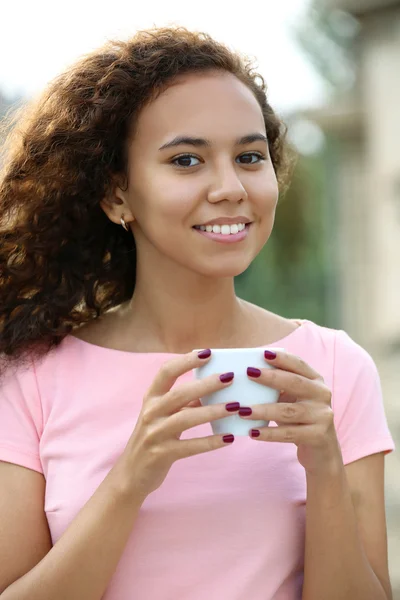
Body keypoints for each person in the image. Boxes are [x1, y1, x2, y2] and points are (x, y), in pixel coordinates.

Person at [0, 26, 395, 600]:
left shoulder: (333, 367)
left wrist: (325, 471)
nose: (231, 187)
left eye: (249, 157)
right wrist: (130, 481)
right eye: (187, 160)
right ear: (117, 196)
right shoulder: (33, 377)